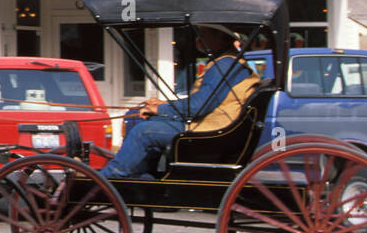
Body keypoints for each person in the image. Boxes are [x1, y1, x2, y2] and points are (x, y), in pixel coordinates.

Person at [100, 24, 259, 179]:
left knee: (143, 132)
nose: (199, 38)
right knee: (135, 116)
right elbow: (201, 101)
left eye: (204, 34)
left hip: (209, 129)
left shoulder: (224, 65)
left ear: (219, 38)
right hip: (210, 122)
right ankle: (142, 174)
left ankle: (111, 176)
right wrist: (162, 105)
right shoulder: (227, 62)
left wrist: (159, 110)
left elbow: (198, 107)